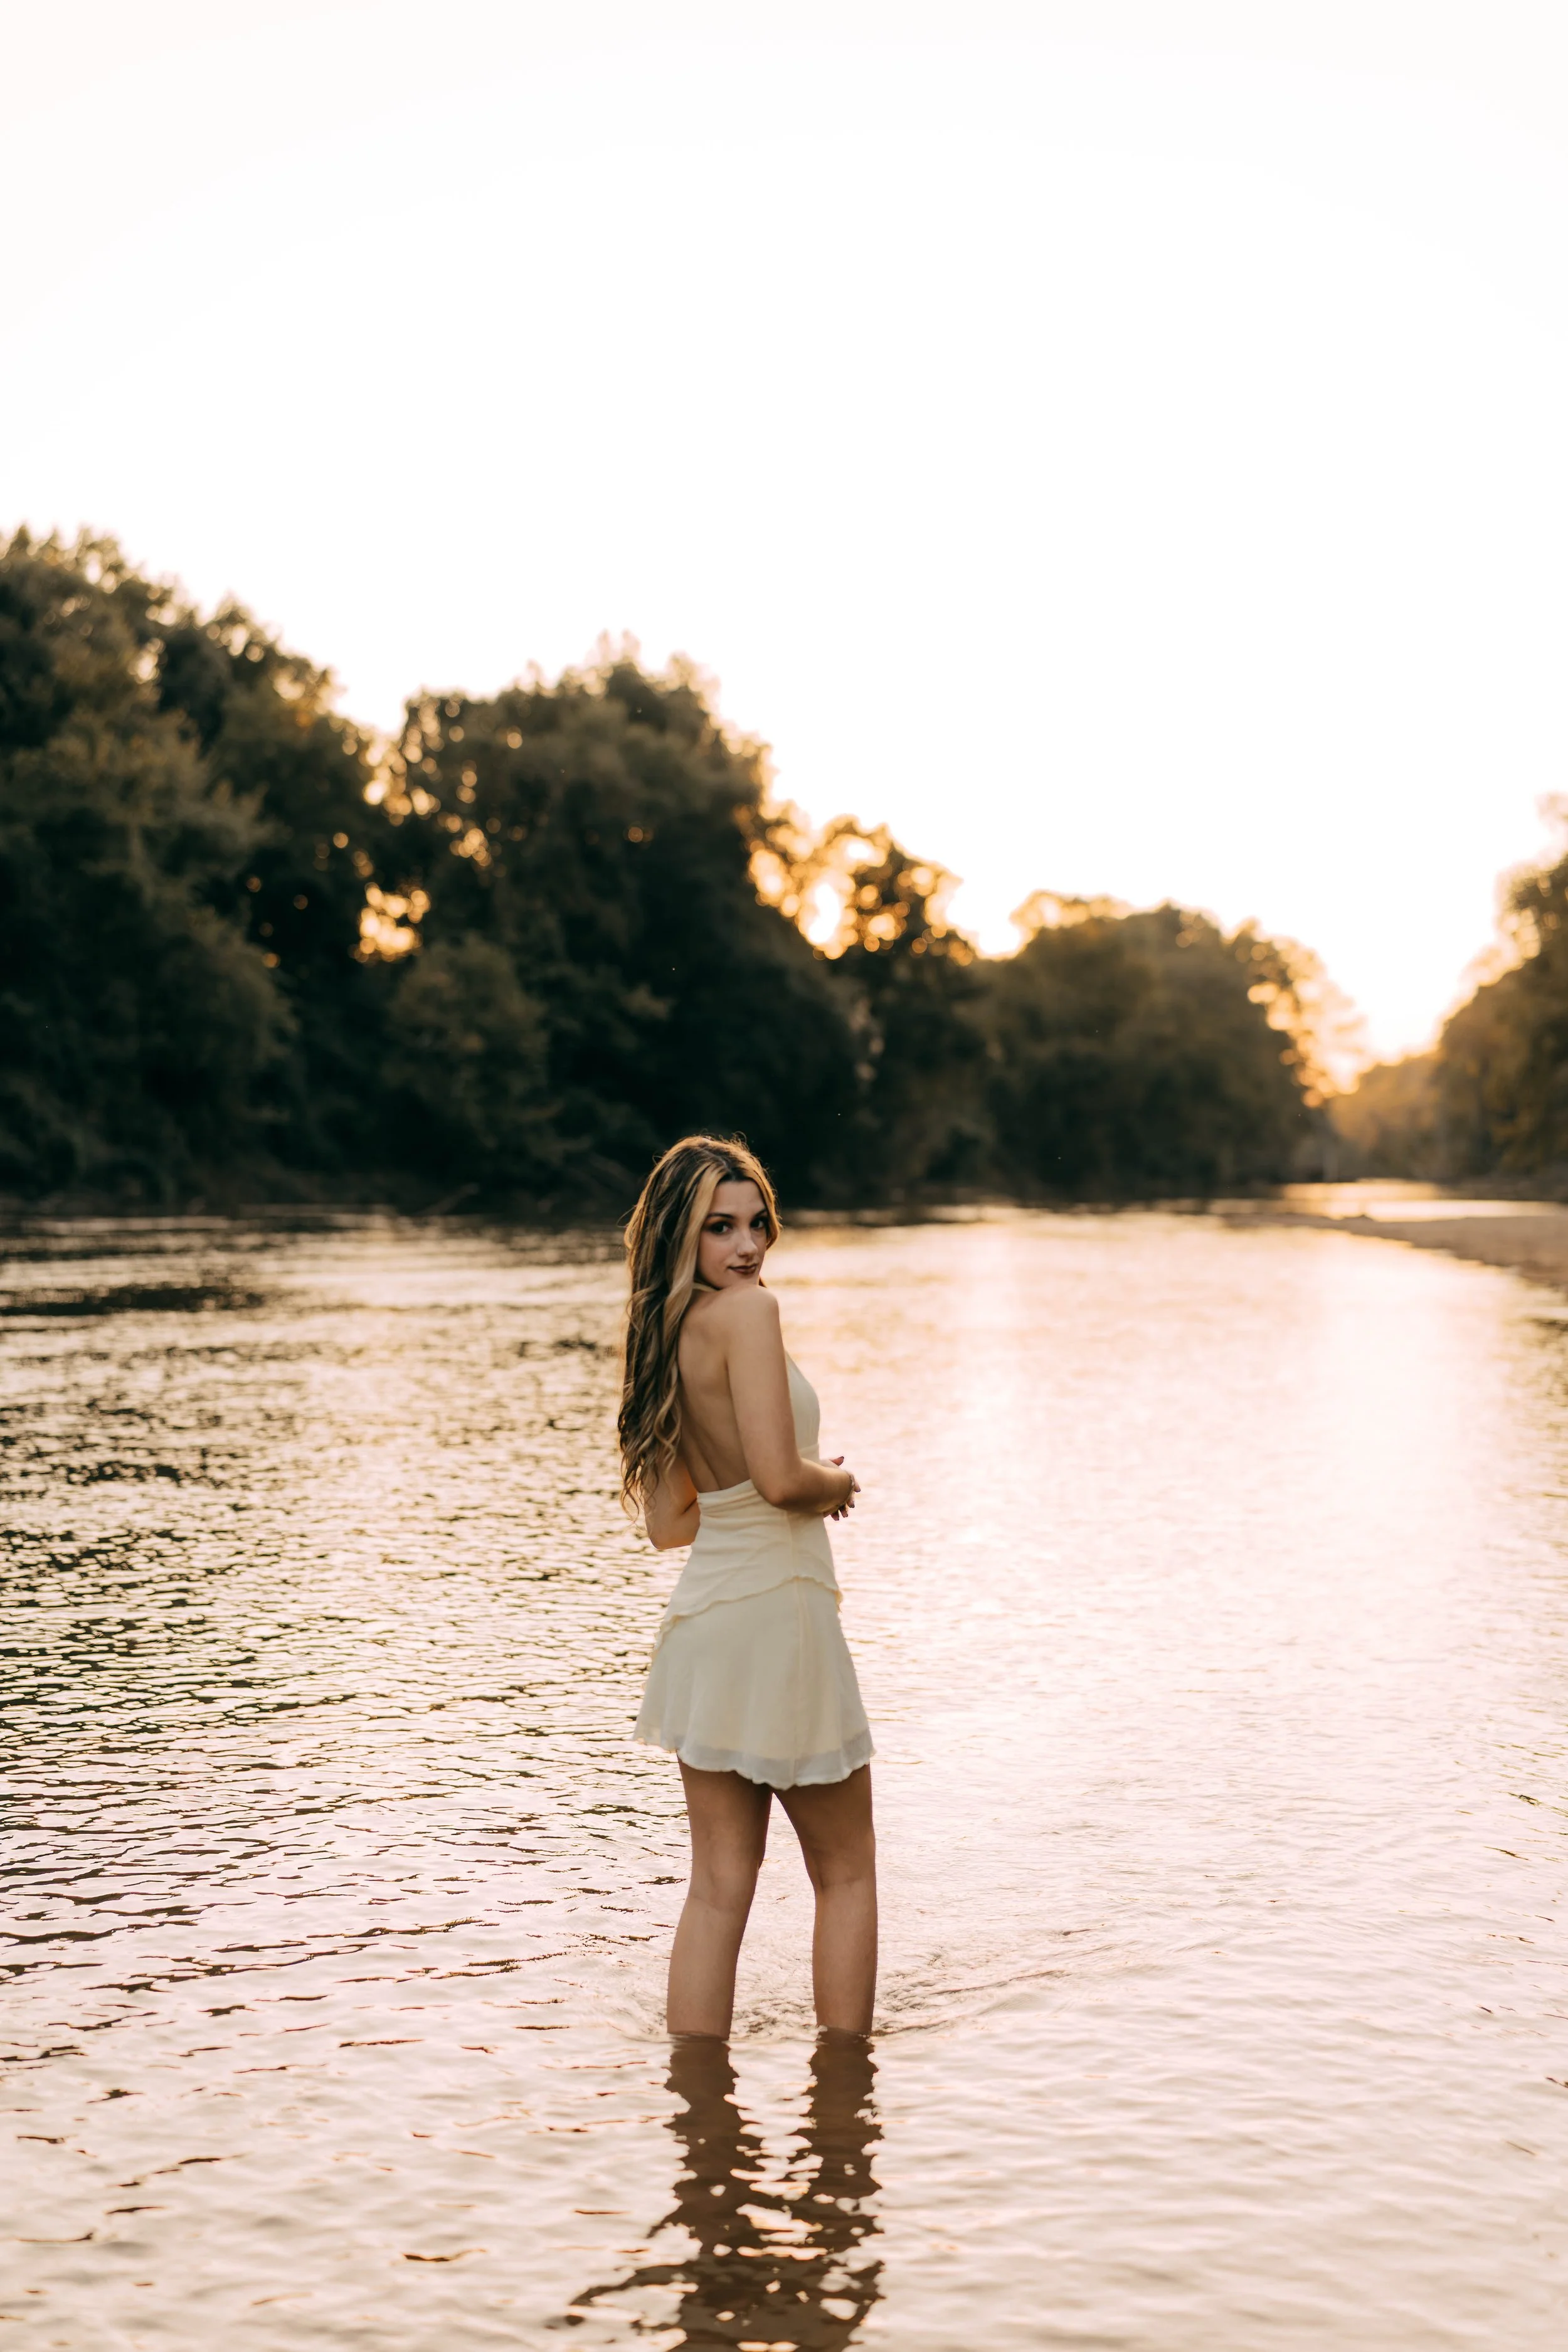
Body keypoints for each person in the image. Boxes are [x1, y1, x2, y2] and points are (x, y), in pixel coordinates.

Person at [620, 1134, 877, 2038]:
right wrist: (834, 1481)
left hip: (706, 1624)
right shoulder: (750, 1314)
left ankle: (700, 2124)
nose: (747, 1246)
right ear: (677, 1235)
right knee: (845, 1874)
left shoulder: (662, 1337)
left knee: (718, 1890)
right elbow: (778, 1480)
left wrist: (784, 1474)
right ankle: (844, 2107)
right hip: (781, 1614)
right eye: (719, 1226)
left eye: (756, 1222)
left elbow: (672, 1524)